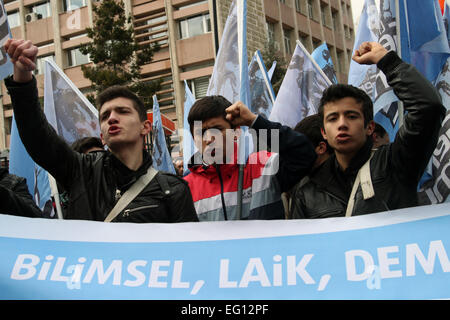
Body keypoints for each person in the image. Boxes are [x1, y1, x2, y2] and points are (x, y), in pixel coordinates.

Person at [4, 38, 198, 223]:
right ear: (102, 137)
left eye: (122, 111)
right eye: (105, 116)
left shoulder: (172, 189)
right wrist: (23, 77)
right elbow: (37, 136)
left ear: (145, 127)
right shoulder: (81, 171)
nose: (112, 117)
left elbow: (185, 252)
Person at [289, 41, 446, 219]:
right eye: (333, 118)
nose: (342, 124)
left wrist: (387, 61)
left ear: (369, 127)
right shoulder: (308, 192)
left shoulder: (395, 163)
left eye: (351, 116)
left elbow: (428, 108)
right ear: (324, 132)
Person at [184, 95, 316, 221]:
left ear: (236, 131)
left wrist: (254, 121)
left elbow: (304, 153)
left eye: (217, 129)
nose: (209, 139)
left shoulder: (264, 166)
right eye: (201, 133)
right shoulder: (184, 188)